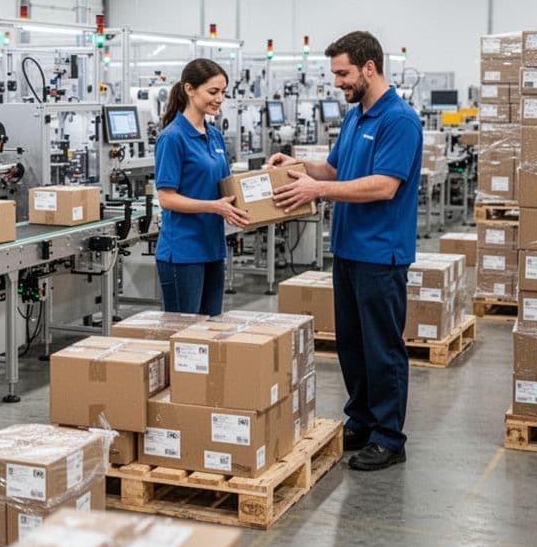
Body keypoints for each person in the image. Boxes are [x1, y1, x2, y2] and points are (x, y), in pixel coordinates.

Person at [266, 30, 422, 472]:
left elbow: (384, 185)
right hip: (350, 249)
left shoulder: (399, 120)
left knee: (382, 347)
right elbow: (334, 169)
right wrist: (296, 166)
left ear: (369, 68)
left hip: (381, 253)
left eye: (343, 73)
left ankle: (389, 437)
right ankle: (363, 420)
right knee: (352, 345)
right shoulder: (356, 117)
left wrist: (317, 190)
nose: (337, 83)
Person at [152, 58, 249, 315]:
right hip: (183, 252)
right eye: (213, 92)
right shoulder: (172, 138)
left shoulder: (214, 135)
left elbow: (225, 187)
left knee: (210, 329)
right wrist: (214, 207)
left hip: (213, 248)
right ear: (190, 89)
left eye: (223, 92)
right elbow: (167, 198)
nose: (219, 99)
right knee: (185, 331)